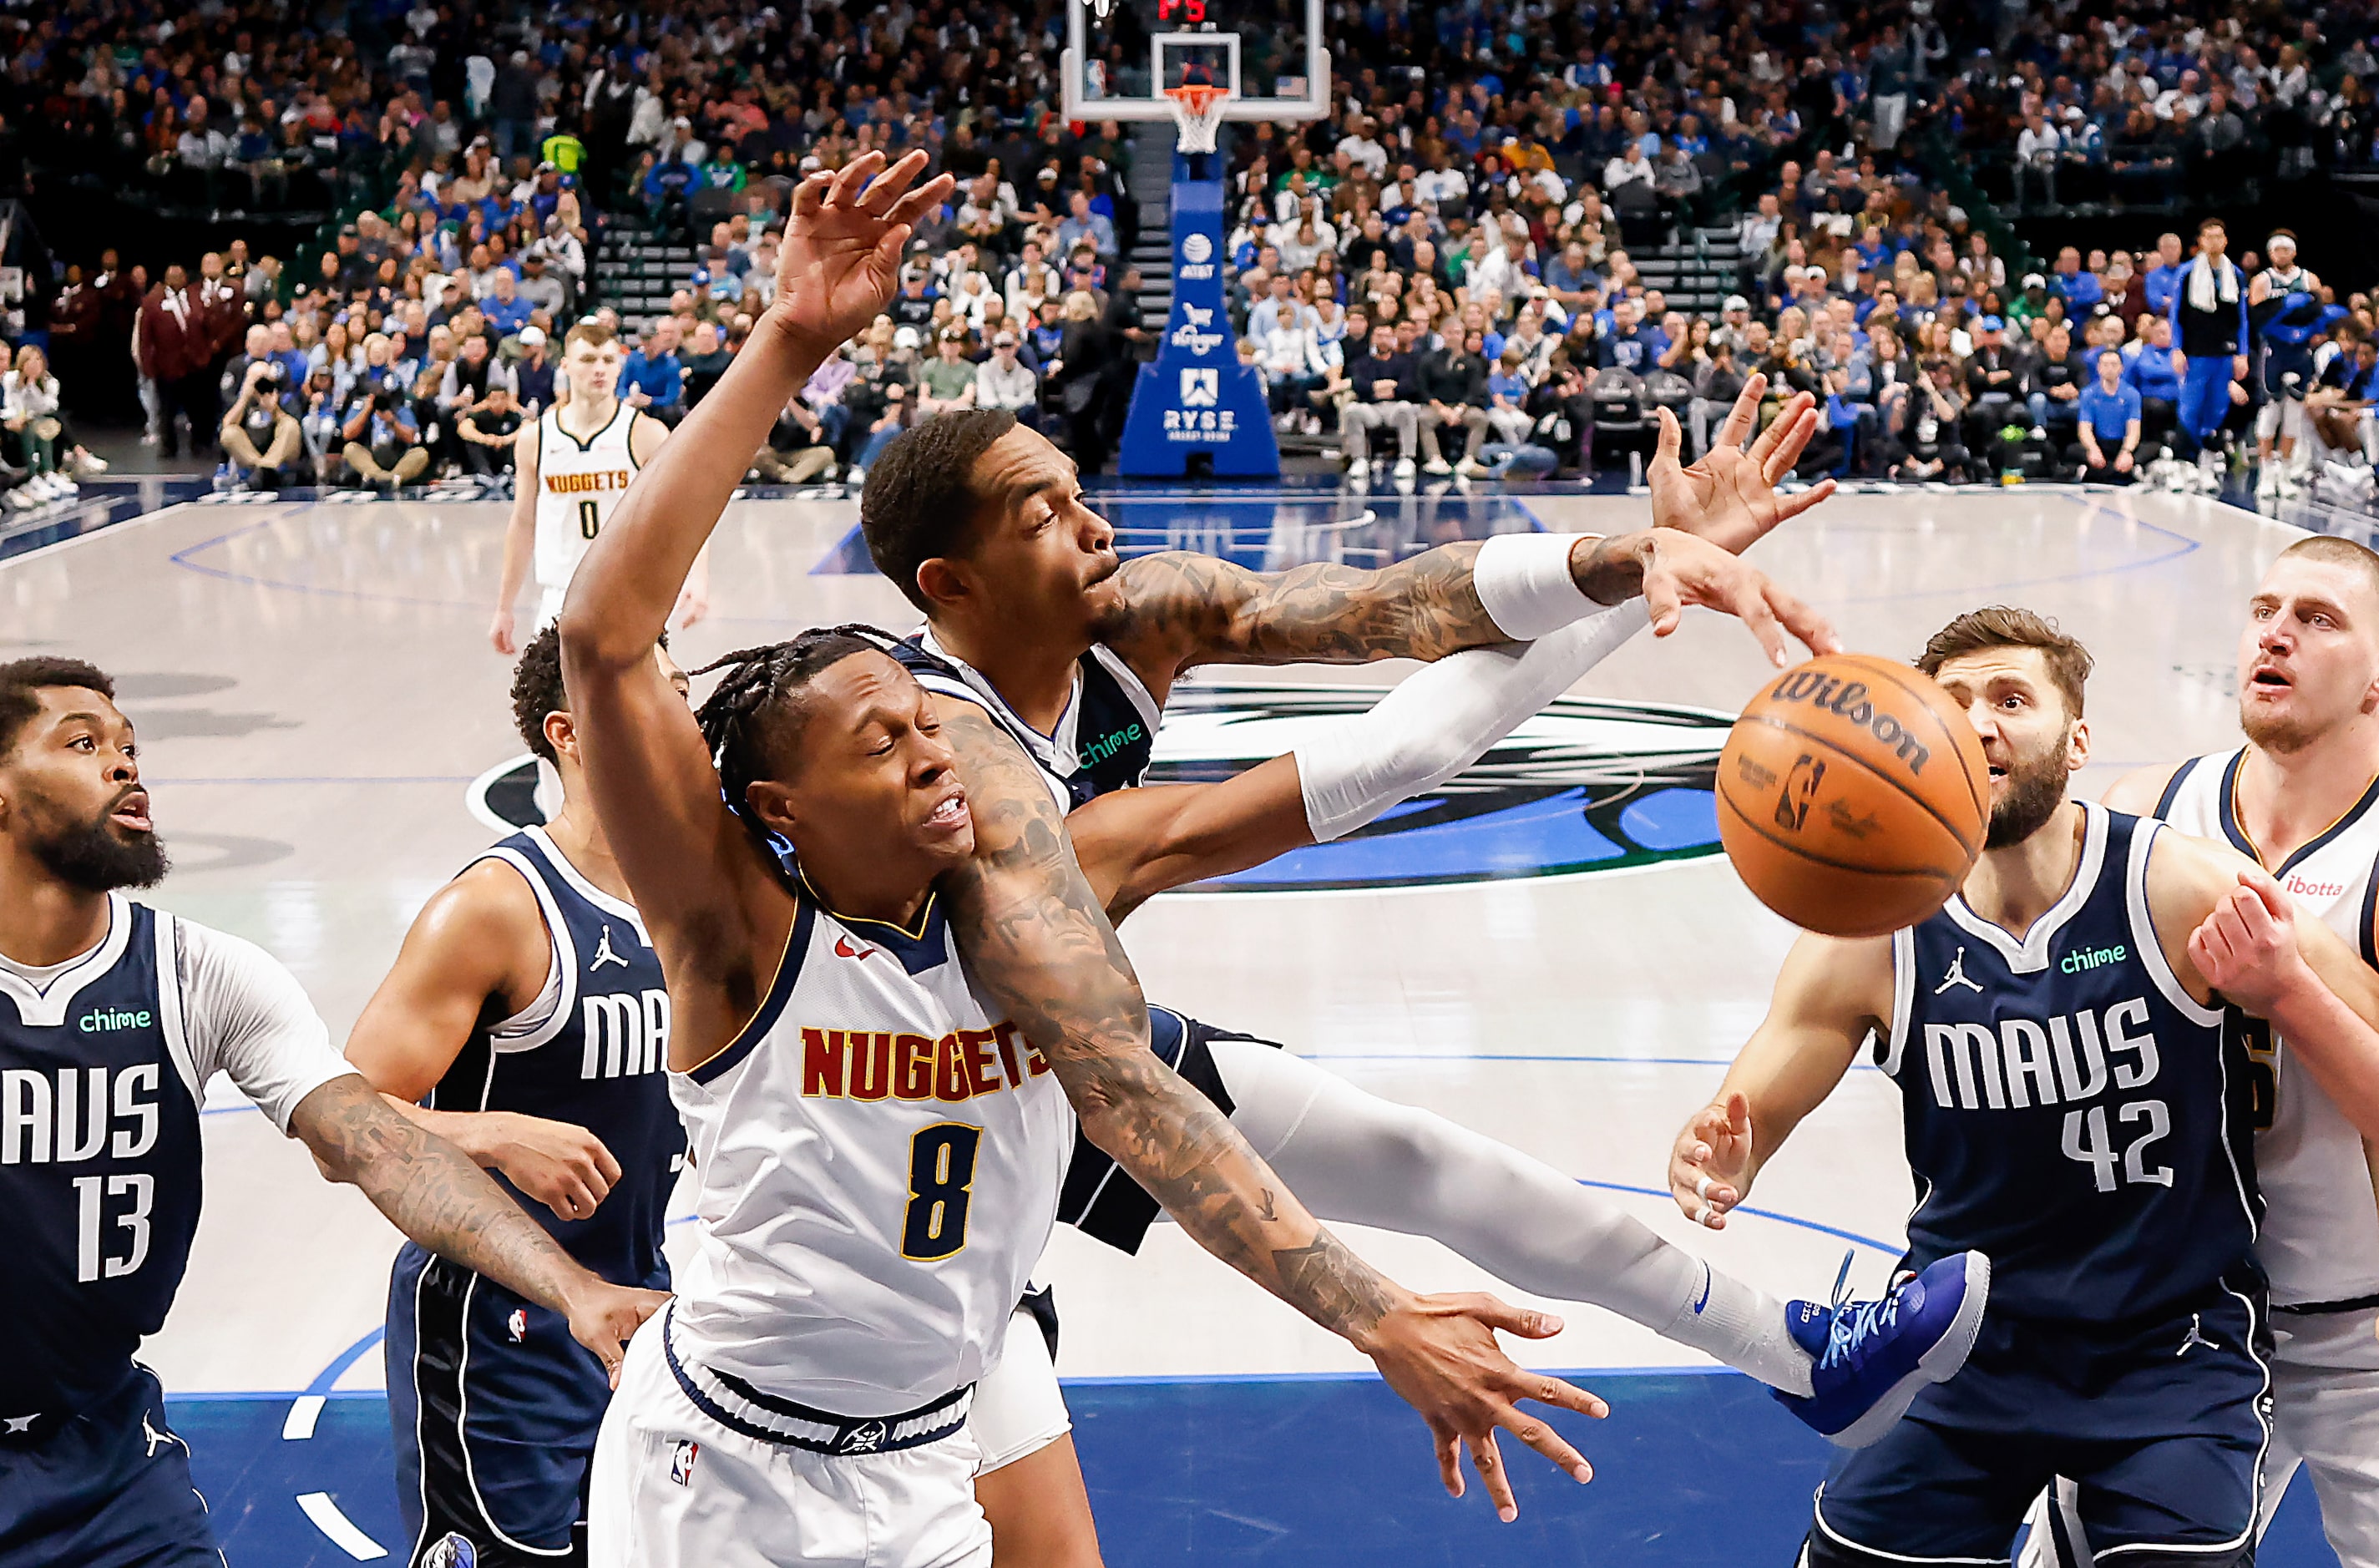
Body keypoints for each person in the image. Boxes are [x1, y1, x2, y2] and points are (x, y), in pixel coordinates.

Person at [559, 149, 1610, 1566]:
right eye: (877, 746)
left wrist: (1630, 569)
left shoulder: (1059, 865)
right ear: (782, 807)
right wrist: (791, 339)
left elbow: (1371, 753)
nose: (932, 753)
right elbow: (604, 642)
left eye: (928, 727)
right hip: (727, 1476)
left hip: (927, 1455)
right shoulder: (737, 941)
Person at [848, 384, 2021, 1560]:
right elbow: (1394, 751)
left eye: (1077, 491)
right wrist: (1382, 1316)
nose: (1092, 523)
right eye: (1039, 515)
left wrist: (1640, 554)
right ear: (951, 583)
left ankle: (1805, 1355)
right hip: (922, 1131)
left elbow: (1399, 604)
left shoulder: (1138, 607)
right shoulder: (964, 764)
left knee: (1428, 1161)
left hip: (1061, 1046)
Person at [1670, 605, 2379, 1568]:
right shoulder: (1872, 927)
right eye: (1951, 703)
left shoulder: (2172, 881)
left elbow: (2363, 1011)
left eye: (2011, 699)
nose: (1979, 722)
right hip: (1961, 1347)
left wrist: (2286, 980)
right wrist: (1723, 1151)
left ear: (2075, 738)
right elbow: (1755, 1099)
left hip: (2166, 1351)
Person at [0, 655, 662, 1565]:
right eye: (83, 744)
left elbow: (380, 1143)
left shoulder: (200, 973)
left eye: (129, 745)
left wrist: (571, 1289)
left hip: (105, 1449)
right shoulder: (497, 902)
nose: (125, 765)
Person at [347, 630, 691, 1568]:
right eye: (656, 692)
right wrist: (488, 1131)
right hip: (492, 1335)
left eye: (683, 689)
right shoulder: (499, 905)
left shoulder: (691, 896)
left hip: (633, 1309)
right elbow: (345, 1111)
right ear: (569, 732)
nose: (685, 715)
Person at [2086, 536, 2379, 1567]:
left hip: (2364, 1337)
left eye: (2319, 618)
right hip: (2179, 1326)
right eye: (2264, 610)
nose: (2277, 632)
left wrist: (2288, 986)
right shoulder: (2142, 809)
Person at [488, 321, 704, 656]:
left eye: (607, 359)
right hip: (560, 594)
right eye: (588, 360)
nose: (599, 369)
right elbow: (523, 523)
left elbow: (686, 510)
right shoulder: (536, 438)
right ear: (566, 365)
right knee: (551, 706)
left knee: (637, 706)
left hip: (628, 593)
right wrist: (504, 606)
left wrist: (697, 578)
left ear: (619, 365)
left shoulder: (644, 433)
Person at [2173, 217, 2250, 487]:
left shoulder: (2235, 275)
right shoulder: (2187, 273)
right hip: (2195, 351)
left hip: (2225, 353)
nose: (2215, 241)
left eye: (2219, 236)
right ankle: (2184, 461)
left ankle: (2207, 458)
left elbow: (2241, 318)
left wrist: (2242, 353)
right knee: (2190, 407)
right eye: (2209, 237)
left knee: (2217, 407)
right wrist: (2176, 348)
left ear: (2226, 240)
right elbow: (2177, 315)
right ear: (2201, 241)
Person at [2250, 231, 2326, 499]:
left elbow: (2318, 313)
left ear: (2293, 252)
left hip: (2300, 350)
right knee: (2271, 409)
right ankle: (2266, 470)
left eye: (2286, 249)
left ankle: (2284, 469)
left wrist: (2303, 332)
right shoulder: (2262, 281)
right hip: (2274, 350)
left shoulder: (2308, 278)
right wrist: (2283, 309)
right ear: (2271, 254)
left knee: (2294, 411)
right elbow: (2257, 317)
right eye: (2277, 250)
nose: (2281, 254)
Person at [218, 357, 306, 492]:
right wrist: (244, 398)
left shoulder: (284, 397)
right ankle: (263, 470)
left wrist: (274, 410)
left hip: (281, 456)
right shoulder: (244, 401)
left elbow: (295, 430)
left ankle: (267, 468)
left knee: (289, 424)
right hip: (252, 454)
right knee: (228, 432)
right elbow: (227, 425)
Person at [2075, 348, 2142, 483]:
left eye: (2114, 365)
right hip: (2100, 443)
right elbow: (2085, 428)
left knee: (2152, 449)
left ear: (2121, 368)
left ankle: (2122, 470)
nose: (2109, 369)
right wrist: (2093, 449)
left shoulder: (2132, 394)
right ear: (2099, 368)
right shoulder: (2088, 393)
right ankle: (2108, 472)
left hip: (2120, 443)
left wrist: (2126, 451)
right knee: (2072, 451)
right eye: (2105, 365)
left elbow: (2134, 429)